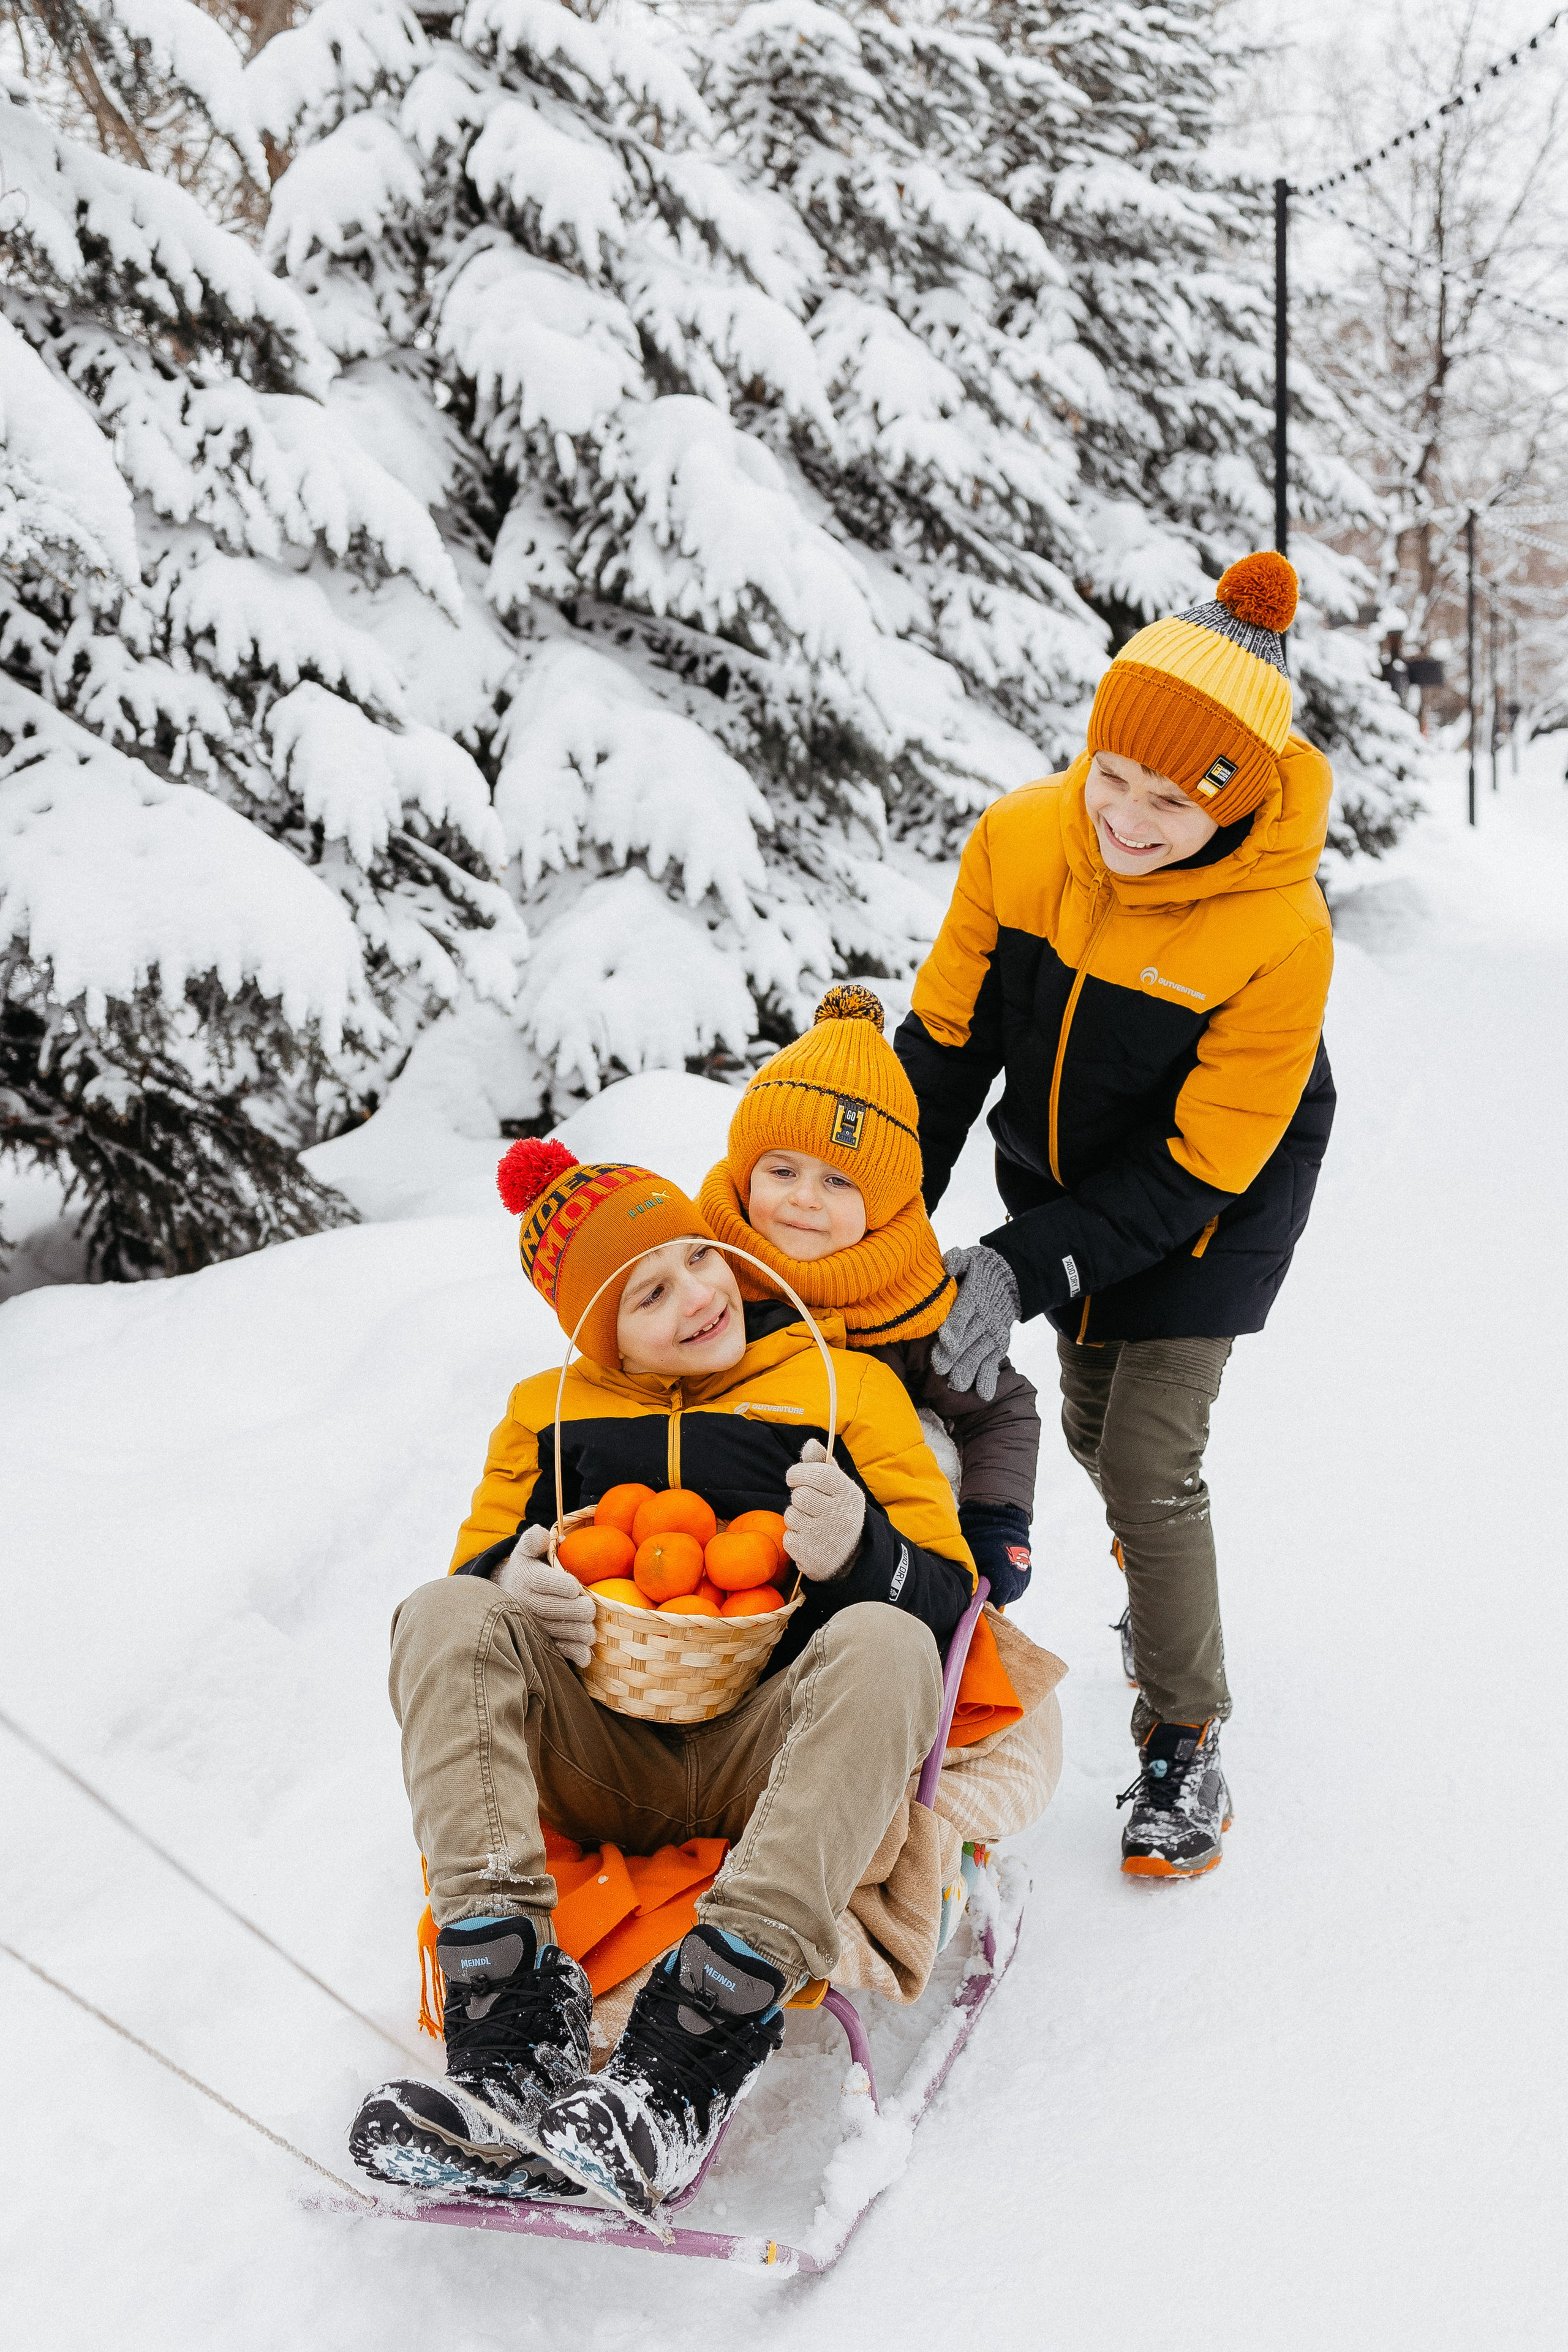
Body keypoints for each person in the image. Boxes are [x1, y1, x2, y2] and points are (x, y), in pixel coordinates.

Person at [349, 1146, 974, 2217]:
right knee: (440, 1612)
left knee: (889, 1643)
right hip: (601, 1757)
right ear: (600, 1333)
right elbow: (477, 1585)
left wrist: (863, 1554)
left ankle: (688, 2057)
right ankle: (507, 2044)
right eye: (651, 1290)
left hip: (770, 1754)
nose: (699, 1293)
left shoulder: (843, 1387)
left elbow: (949, 1603)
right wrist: (515, 1576)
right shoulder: (543, 1415)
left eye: (700, 1255)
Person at [894, 552, 1335, 1880]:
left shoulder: (1276, 931)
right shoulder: (1021, 839)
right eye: (1111, 778)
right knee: (1089, 1428)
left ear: (1234, 804)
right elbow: (944, 1049)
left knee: (1144, 1458)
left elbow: (1203, 1162)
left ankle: (1183, 1737)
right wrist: (867, 1230)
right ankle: (1156, 1576)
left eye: (1167, 801)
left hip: (1211, 1205)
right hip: (1065, 1170)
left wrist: (1019, 1266)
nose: (1124, 822)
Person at [697, 981, 1041, 1607]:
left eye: (837, 1181)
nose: (804, 1198)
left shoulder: (906, 1301)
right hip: (715, 1569)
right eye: (781, 1171)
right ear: (746, 1172)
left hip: (868, 1566)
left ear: (881, 1204)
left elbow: (997, 1407)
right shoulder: (705, 1270)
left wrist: (996, 1521)